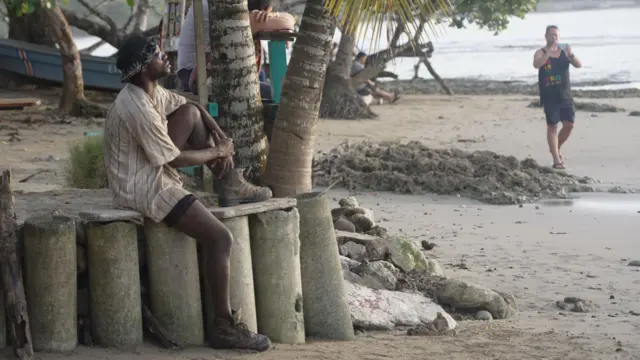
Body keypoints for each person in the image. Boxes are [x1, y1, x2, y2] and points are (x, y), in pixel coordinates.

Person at [104, 34, 273, 351]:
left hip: (153, 170)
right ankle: (223, 327)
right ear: (143, 68)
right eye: (156, 53)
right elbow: (172, 158)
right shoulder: (136, 105)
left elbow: (188, 106)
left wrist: (214, 128)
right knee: (220, 238)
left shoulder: (151, 91)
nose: (164, 55)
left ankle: (230, 182)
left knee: (193, 115)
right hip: (142, 185)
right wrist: (218, 151)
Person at [177, 0, 294, 99]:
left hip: (189, 75)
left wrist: (272, 15)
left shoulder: (216, 3)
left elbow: (291, 19)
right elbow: (288, 22)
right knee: (285, 96)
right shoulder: (236, 13)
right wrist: (274, 16)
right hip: (203, 81)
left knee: (264, 82)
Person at [533, 25, 582, 169]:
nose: (554, 37)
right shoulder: (540, 52)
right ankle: (556, 159)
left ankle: (555, 147)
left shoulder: (564, 52)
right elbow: (536, 65)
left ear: (559, 37)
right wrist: (547, 53)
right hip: (549, 95)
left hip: (565, 94)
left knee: (569, 125)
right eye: (551, 35)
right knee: (552, 126)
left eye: (556, 35)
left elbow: (578, 65)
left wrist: (571, 54)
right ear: (546, 36)